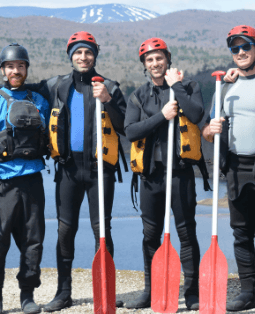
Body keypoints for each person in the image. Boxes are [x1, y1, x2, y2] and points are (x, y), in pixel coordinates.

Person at [25, 31, 127, 312]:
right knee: (64, 231)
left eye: (88, 52)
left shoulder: (111, 87)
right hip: (68, 171)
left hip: (100, 171)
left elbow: (124, 127)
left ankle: (105, 290)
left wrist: (107, 99)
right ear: (71, 56)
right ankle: (63, 292)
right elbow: (22, 88)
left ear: (95, 55)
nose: (83, 57)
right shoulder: (56, 85)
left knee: (102, 230)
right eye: (78, 52)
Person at [124, 37, 206, 310]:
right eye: (150, 59)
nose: (155, 63)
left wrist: (177, 87)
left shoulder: (189, 87)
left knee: (186, 233)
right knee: (150, 235)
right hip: (151, 177)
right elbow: (131, 131)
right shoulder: (138, 95)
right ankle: (151, 289)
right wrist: (162, 115)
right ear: (144, 66)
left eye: (159, 58)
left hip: (180, 175)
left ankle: (192, 292)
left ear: (168, 60)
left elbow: (195, 114)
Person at [202, 25, 255, 312]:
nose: (241, 52)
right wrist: (211, 129)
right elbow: (208, 133)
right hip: (237, 166)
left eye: (246, 46)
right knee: (242, 232)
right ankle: (248, 290)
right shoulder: (224, 87)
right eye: (235, 48)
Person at [0, 43, 50, 314]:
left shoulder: (38, 100)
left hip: (32, 179)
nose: (15, 71)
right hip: (2, 181)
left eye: (20, 66)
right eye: (10, 66)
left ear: (26, 69)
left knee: (33, 239)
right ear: (3, 70)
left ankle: (27, 295)